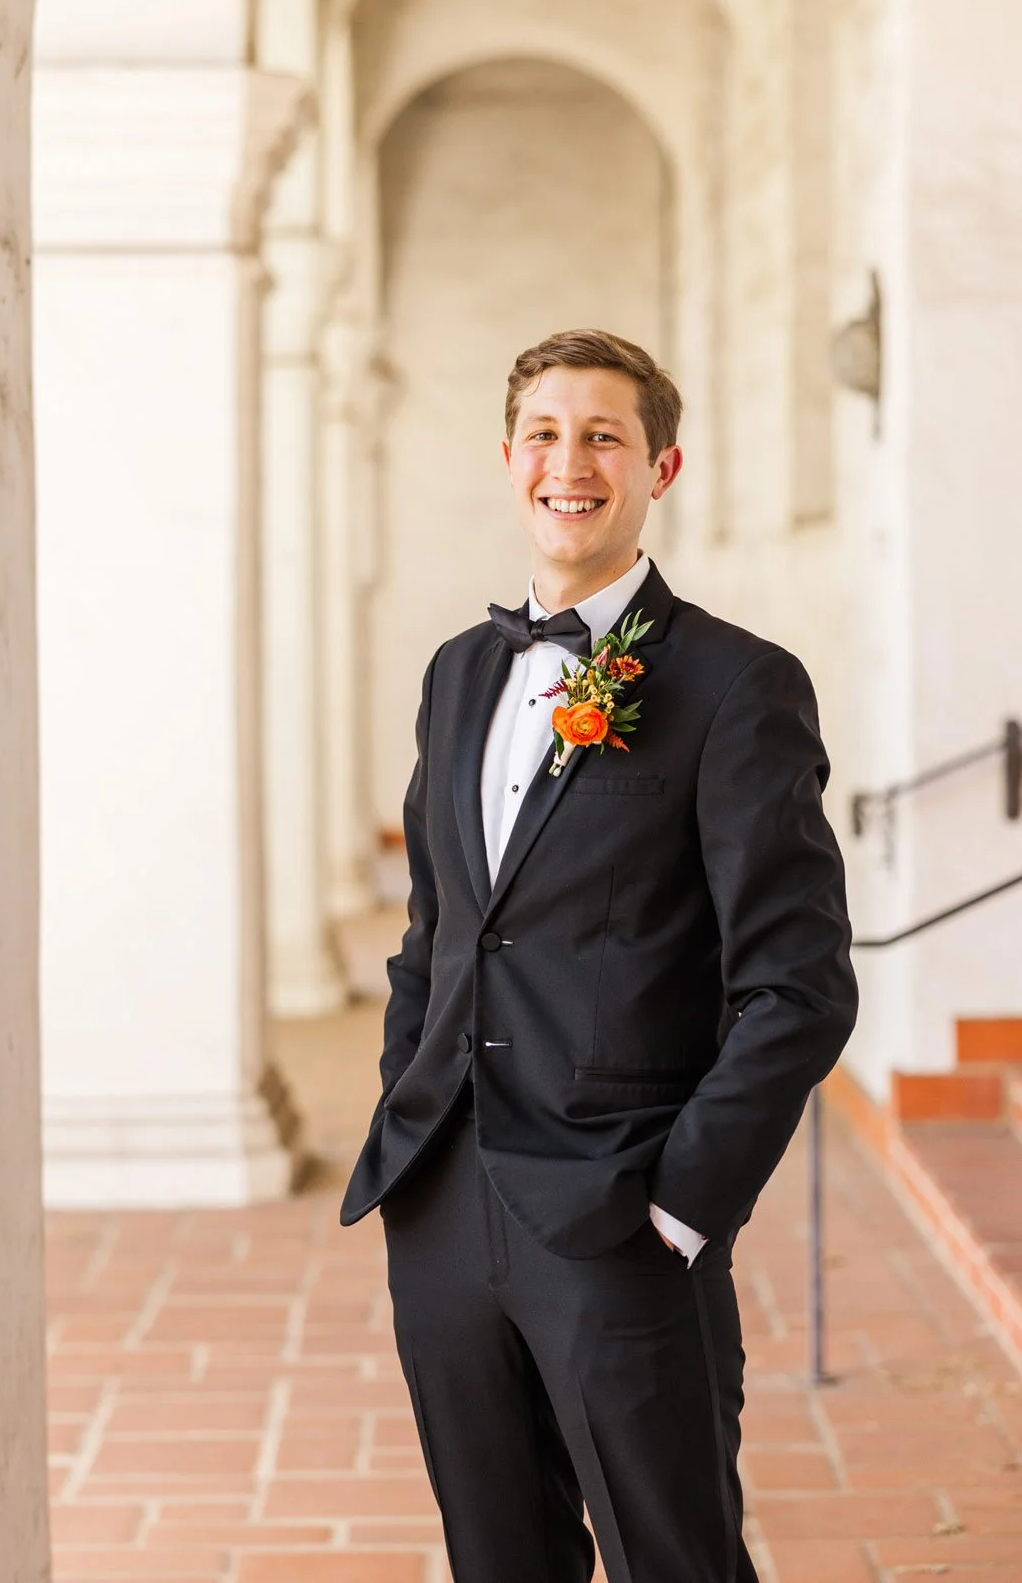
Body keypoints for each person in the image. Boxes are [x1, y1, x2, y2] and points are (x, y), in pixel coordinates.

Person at [340, 330, 856, 1582]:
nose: (569, 463)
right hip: (445, 1204)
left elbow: (798, 986)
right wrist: (407, 1101)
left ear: (659, 466)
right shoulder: (458, 676)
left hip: (624, 1214)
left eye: (604, 436)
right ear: (508, 457)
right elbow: (437, 929)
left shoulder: (740, 687)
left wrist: (682, 1207)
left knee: (672, 1558)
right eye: (545, 435)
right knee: (497, 1556)